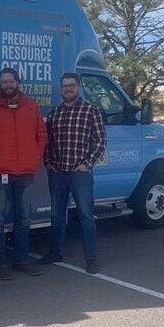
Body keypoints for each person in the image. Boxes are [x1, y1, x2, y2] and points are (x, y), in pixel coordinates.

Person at [0, 67, 47, 280]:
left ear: (18, 83)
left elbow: (41, 134)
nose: (8, 85)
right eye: (4, 82)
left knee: (23, 218)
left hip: (25, 172)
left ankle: (22, 260)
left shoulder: (31, 106)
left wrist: (35, 155)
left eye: (11, 81)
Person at [39, 73, 107, 274]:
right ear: (61, 88)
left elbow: (100, 141)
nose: (68, 89)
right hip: (58, 173)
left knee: (86, 216)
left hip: (80, 173)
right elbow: (47, 142)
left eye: (72, 85)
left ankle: (91, 258)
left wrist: (87, 163)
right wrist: (49, 163)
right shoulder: (55, 113)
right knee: (57, 215)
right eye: (65, 86)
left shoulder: (90, 111)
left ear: (78, 87)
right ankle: (56, 252)